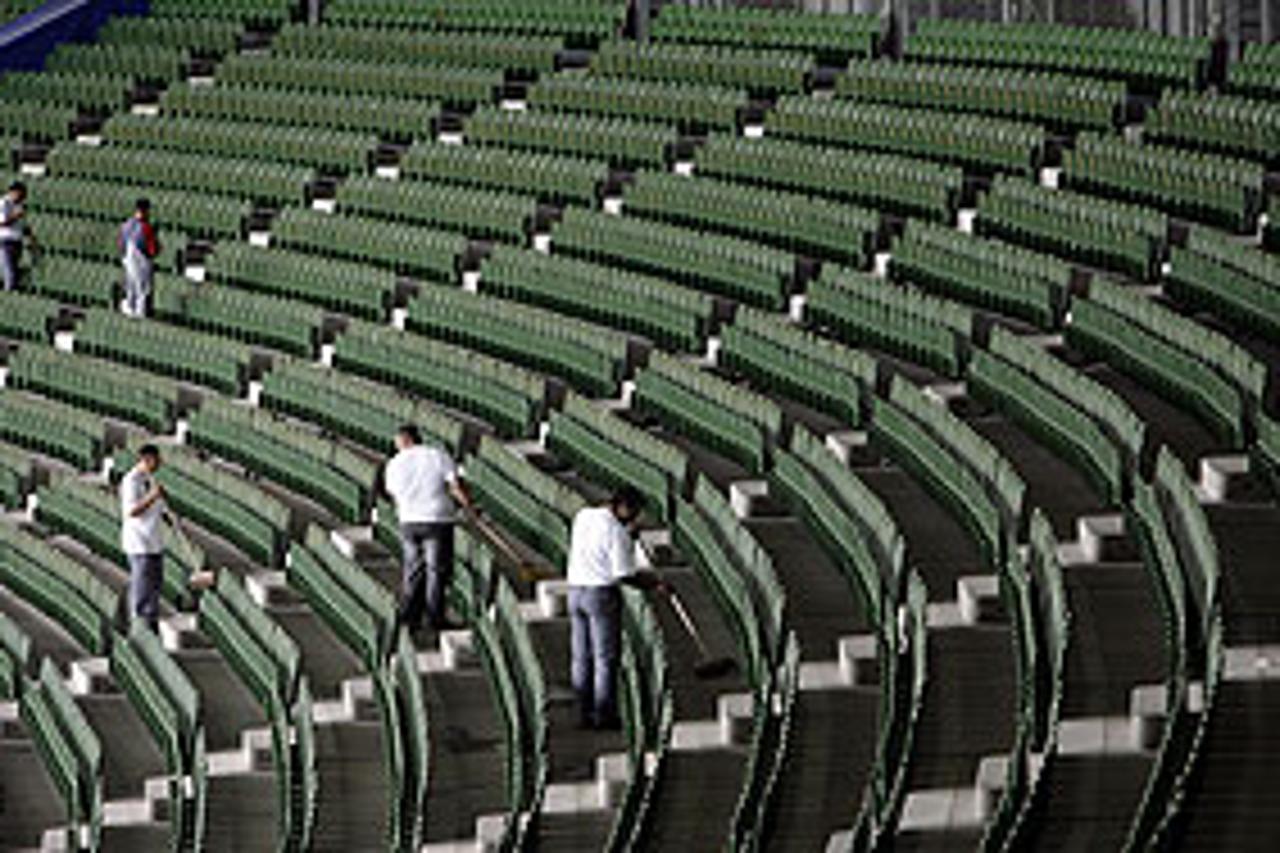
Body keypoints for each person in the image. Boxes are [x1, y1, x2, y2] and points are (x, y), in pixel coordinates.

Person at [566, 485, 670, 730]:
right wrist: (655, 584)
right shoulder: (616, 532)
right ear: (624, 507)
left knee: (581, 657)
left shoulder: (584, 515)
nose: (635, 518)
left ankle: (583, 713)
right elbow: (624, 574)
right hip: (600, 595)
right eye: (634, 512)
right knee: (605, 659)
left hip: (575, 590)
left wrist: (628, 536)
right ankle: (604, 715)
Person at [383, 424, 476, 633]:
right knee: (436, 572)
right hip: (437, 519)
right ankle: (435, 618)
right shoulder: (437, 456)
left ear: (405, 440)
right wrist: (470, 507)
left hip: (409, 521)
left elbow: (394, 495)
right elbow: (455, 486)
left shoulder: (394, 464)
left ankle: (411, 618)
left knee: (413, 570)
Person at [119, 444, 167, 631]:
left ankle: (151, 626)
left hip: (154, 541)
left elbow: (153, 508)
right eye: (157, 460)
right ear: (147, 459)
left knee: (155, 587)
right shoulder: (131, 481)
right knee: (142, 589)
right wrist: (153, 496)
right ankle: (139, 628)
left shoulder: (148, 478)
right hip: (139, 543)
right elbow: (132, 510)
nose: (160, 463)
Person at [118, 198, 159, 317]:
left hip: (127, 262)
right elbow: (152, 250)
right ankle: (140, 315)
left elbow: (121, 246)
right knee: (142, 292)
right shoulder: (146, 227)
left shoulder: (126, 225)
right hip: (141, 262)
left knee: (130, 290)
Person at [0, 181, 28, 292]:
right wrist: (16, 216)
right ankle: (8, 292)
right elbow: (2, 222)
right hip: (5, 241)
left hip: (17, 241)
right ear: (14, 192)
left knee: (15, 271)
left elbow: (22, 224)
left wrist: (31, 236)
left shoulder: (19, 204)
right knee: (9, 272)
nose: (22, 198)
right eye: (20, 194)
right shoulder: (4, 203)